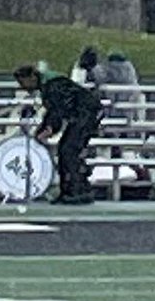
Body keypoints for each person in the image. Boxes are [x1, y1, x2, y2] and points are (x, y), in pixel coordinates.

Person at [14, 64, 101, 204]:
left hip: (85, 114)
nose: (23, 86)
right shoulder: (50, 84)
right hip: (83, 114)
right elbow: (55, 111)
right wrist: (46, 128)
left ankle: (76, 190)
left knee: (68, 150)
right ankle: (75, 189)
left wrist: (48, 129)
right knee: (67, 150)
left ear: (32, 77)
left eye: (23, 82)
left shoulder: (52, 85)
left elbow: (56, 111)